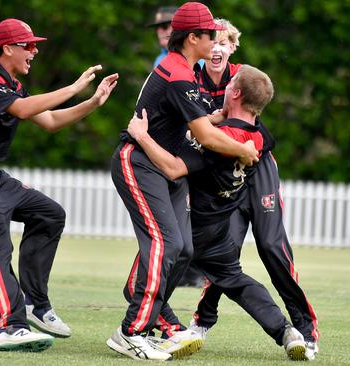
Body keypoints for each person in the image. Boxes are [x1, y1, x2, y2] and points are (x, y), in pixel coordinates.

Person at [0, 18, 118, 352]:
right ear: (7, 48)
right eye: (28, 45)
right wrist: (75, 87)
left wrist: (92, 103)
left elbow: (49, 121)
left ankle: (35, 304)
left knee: (49, 214)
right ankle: (9, 327)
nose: (34, 51)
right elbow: (23, 109)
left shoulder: (13, 85)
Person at [106, 2, 258, 361]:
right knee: (167, 244)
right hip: (139, 163)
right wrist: (243, 148)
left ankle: (153, 314)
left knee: (185, 250)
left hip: (165, 166)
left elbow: (199, 119)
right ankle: (131, 331)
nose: (216, 39)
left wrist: (218, 116)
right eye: (210, 34)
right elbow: (204, 136)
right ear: (193, 38)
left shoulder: (186, 71)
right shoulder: (176, 73)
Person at [128, 64, 309, 361]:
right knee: (234, 279)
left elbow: (174, 168)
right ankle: (286, 331)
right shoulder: (260, 137)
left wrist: (142, 136)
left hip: (188, 224)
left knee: (138, 284)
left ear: (235, 93)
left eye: (229, 84)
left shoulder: (215, 140)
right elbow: (232, 131)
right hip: (219, 227)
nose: (222, 88)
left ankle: (174, 331)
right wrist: (217, 117)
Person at [177, 18, 320, 360]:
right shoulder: (190, 79)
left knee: (271, 245)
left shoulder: (243, 79)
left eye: (224, 42)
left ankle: (305, 326)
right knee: (227, 250)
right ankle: (203, 319)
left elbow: (262, 136)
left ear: (233, 48)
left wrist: (229, 139)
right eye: (212, 41)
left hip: (256, 164)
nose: (217, 48)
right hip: (223, 175)